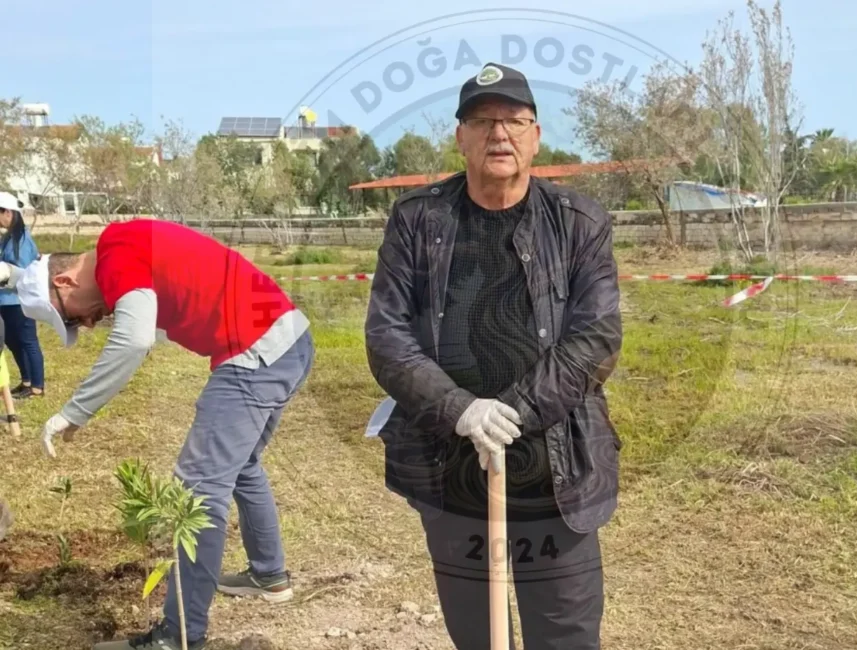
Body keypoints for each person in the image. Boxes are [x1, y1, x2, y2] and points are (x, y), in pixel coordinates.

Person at [365, 62, 623, 650]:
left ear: (536, 136)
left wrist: (511, 415)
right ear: (461, 137)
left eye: (513, 121)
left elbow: (596, 338)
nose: (498, 134)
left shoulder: (579, 223)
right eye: (482, 121)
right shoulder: (417, 220)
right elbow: (387, 335)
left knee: (565, 634)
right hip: (449, 465)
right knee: (477, 632)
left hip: (557, 467)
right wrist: (461, 410)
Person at [14, 219, 314, 650]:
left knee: (198, 490)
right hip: (288, 339)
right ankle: (269, 575)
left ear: (64, 281)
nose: (88, 324)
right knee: (242, 465)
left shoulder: (115, 251)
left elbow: (134, 339)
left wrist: (75, 411)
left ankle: (177, 637)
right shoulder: (128, 247)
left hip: (255, 350)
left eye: (72, 317)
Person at [0, 192, 44, 399]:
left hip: (19, 300)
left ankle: (37, 386)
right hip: (5, 300)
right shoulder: (7, 238)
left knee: (28, 341)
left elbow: (26, 272)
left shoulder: (23, 240)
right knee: (12, 340)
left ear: (8, 213)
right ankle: (26, 381)